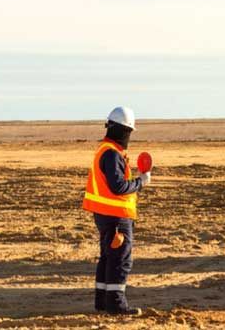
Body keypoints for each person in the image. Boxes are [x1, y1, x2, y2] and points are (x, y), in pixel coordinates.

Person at [81, 106, 152, 315]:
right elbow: (118, 186)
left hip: (104, 215)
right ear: (125, 131)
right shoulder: (111, 154)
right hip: (115, 218)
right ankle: (116, 304)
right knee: (120, 259)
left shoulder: (106, 150)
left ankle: (103, 302)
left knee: (108, 258)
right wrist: (141, 182)